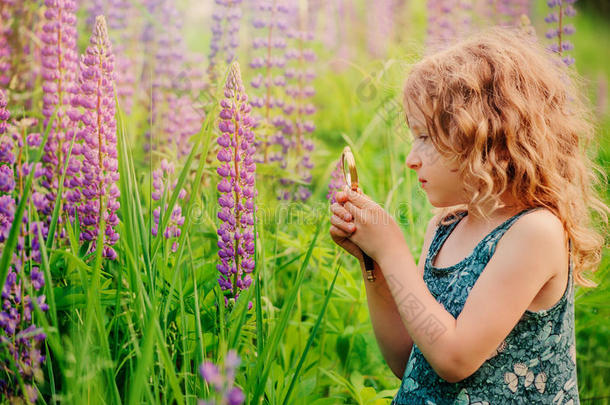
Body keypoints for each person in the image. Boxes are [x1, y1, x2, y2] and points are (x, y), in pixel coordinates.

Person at [329, 26, 608, 404]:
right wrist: (374, 263)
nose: (412, 159)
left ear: (485, 141)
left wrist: (393, 250)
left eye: (426, 138)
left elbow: (454, 358)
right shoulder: (445, 226)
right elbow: (410, 356)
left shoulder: (535, 233)